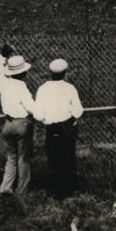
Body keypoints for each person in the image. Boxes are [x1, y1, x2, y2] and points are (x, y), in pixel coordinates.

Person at [34, 59, 83, 198]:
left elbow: (37, 114)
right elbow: (78, 111)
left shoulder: (43, 88)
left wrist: (45, 119)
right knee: (69, 156)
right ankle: (71, 189)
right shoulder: (69, 88)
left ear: (50, 73)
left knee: (54, 157)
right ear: (65, 73)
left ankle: (58, 189)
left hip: (52, 128)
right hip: (66, 126)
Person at [0, 54, 36, 194]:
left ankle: (5, 188)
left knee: (11, 157)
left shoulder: (3, 83)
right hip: (21, 124)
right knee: (24, 158)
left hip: (8, 124)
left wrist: (1, 57)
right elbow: (30, 107)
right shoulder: (21, 86)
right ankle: (21, 190)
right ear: (22, 72)